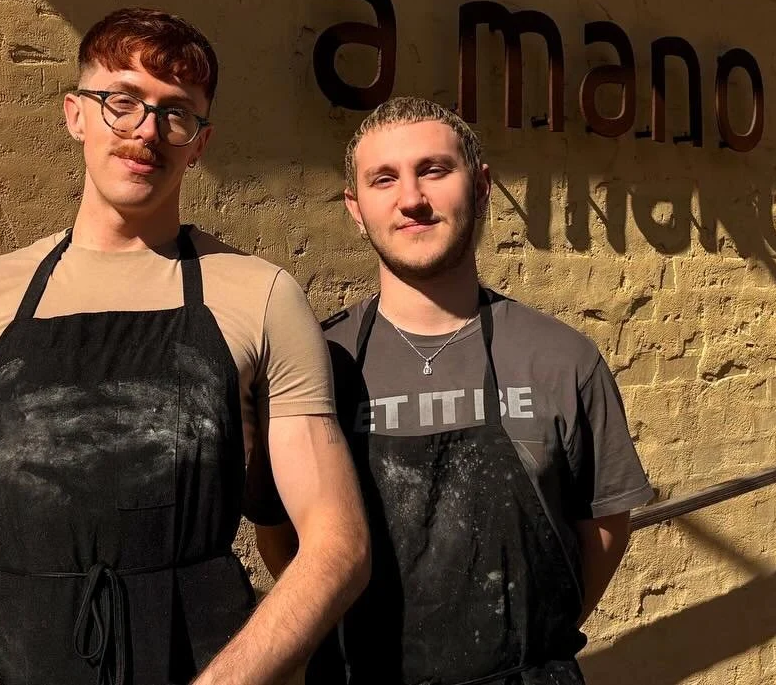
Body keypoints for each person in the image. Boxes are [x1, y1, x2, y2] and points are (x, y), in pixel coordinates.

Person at [0, 7, 369, 685]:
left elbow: (337, 543)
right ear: (75, 114)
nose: (146, 131)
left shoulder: (260, 295)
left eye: (176, 113)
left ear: (199, 142)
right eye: (122, 101)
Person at [256, 97, 653, 684]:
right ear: (356, 209)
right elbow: (280, 536)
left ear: (483, 186)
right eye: (384, 179)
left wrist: (522, 648)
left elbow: (602, 526)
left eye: (434, 170)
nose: (411, 199)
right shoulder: (315, 366)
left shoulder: (561, 360)